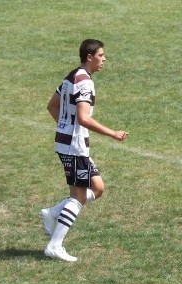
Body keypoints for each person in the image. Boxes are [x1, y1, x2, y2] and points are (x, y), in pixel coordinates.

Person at [40, 39, 129, 262]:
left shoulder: (72, 75)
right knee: (79, 196)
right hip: (74, 146)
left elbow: (52, 105)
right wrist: (112, 133)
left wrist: (63, 127)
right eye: (101, 55)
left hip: (67, 142)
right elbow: (83, 118)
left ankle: (52, 213)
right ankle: (55, 245)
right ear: (89, 57)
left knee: (97, 188)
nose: (104, 59)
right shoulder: (85, 82)